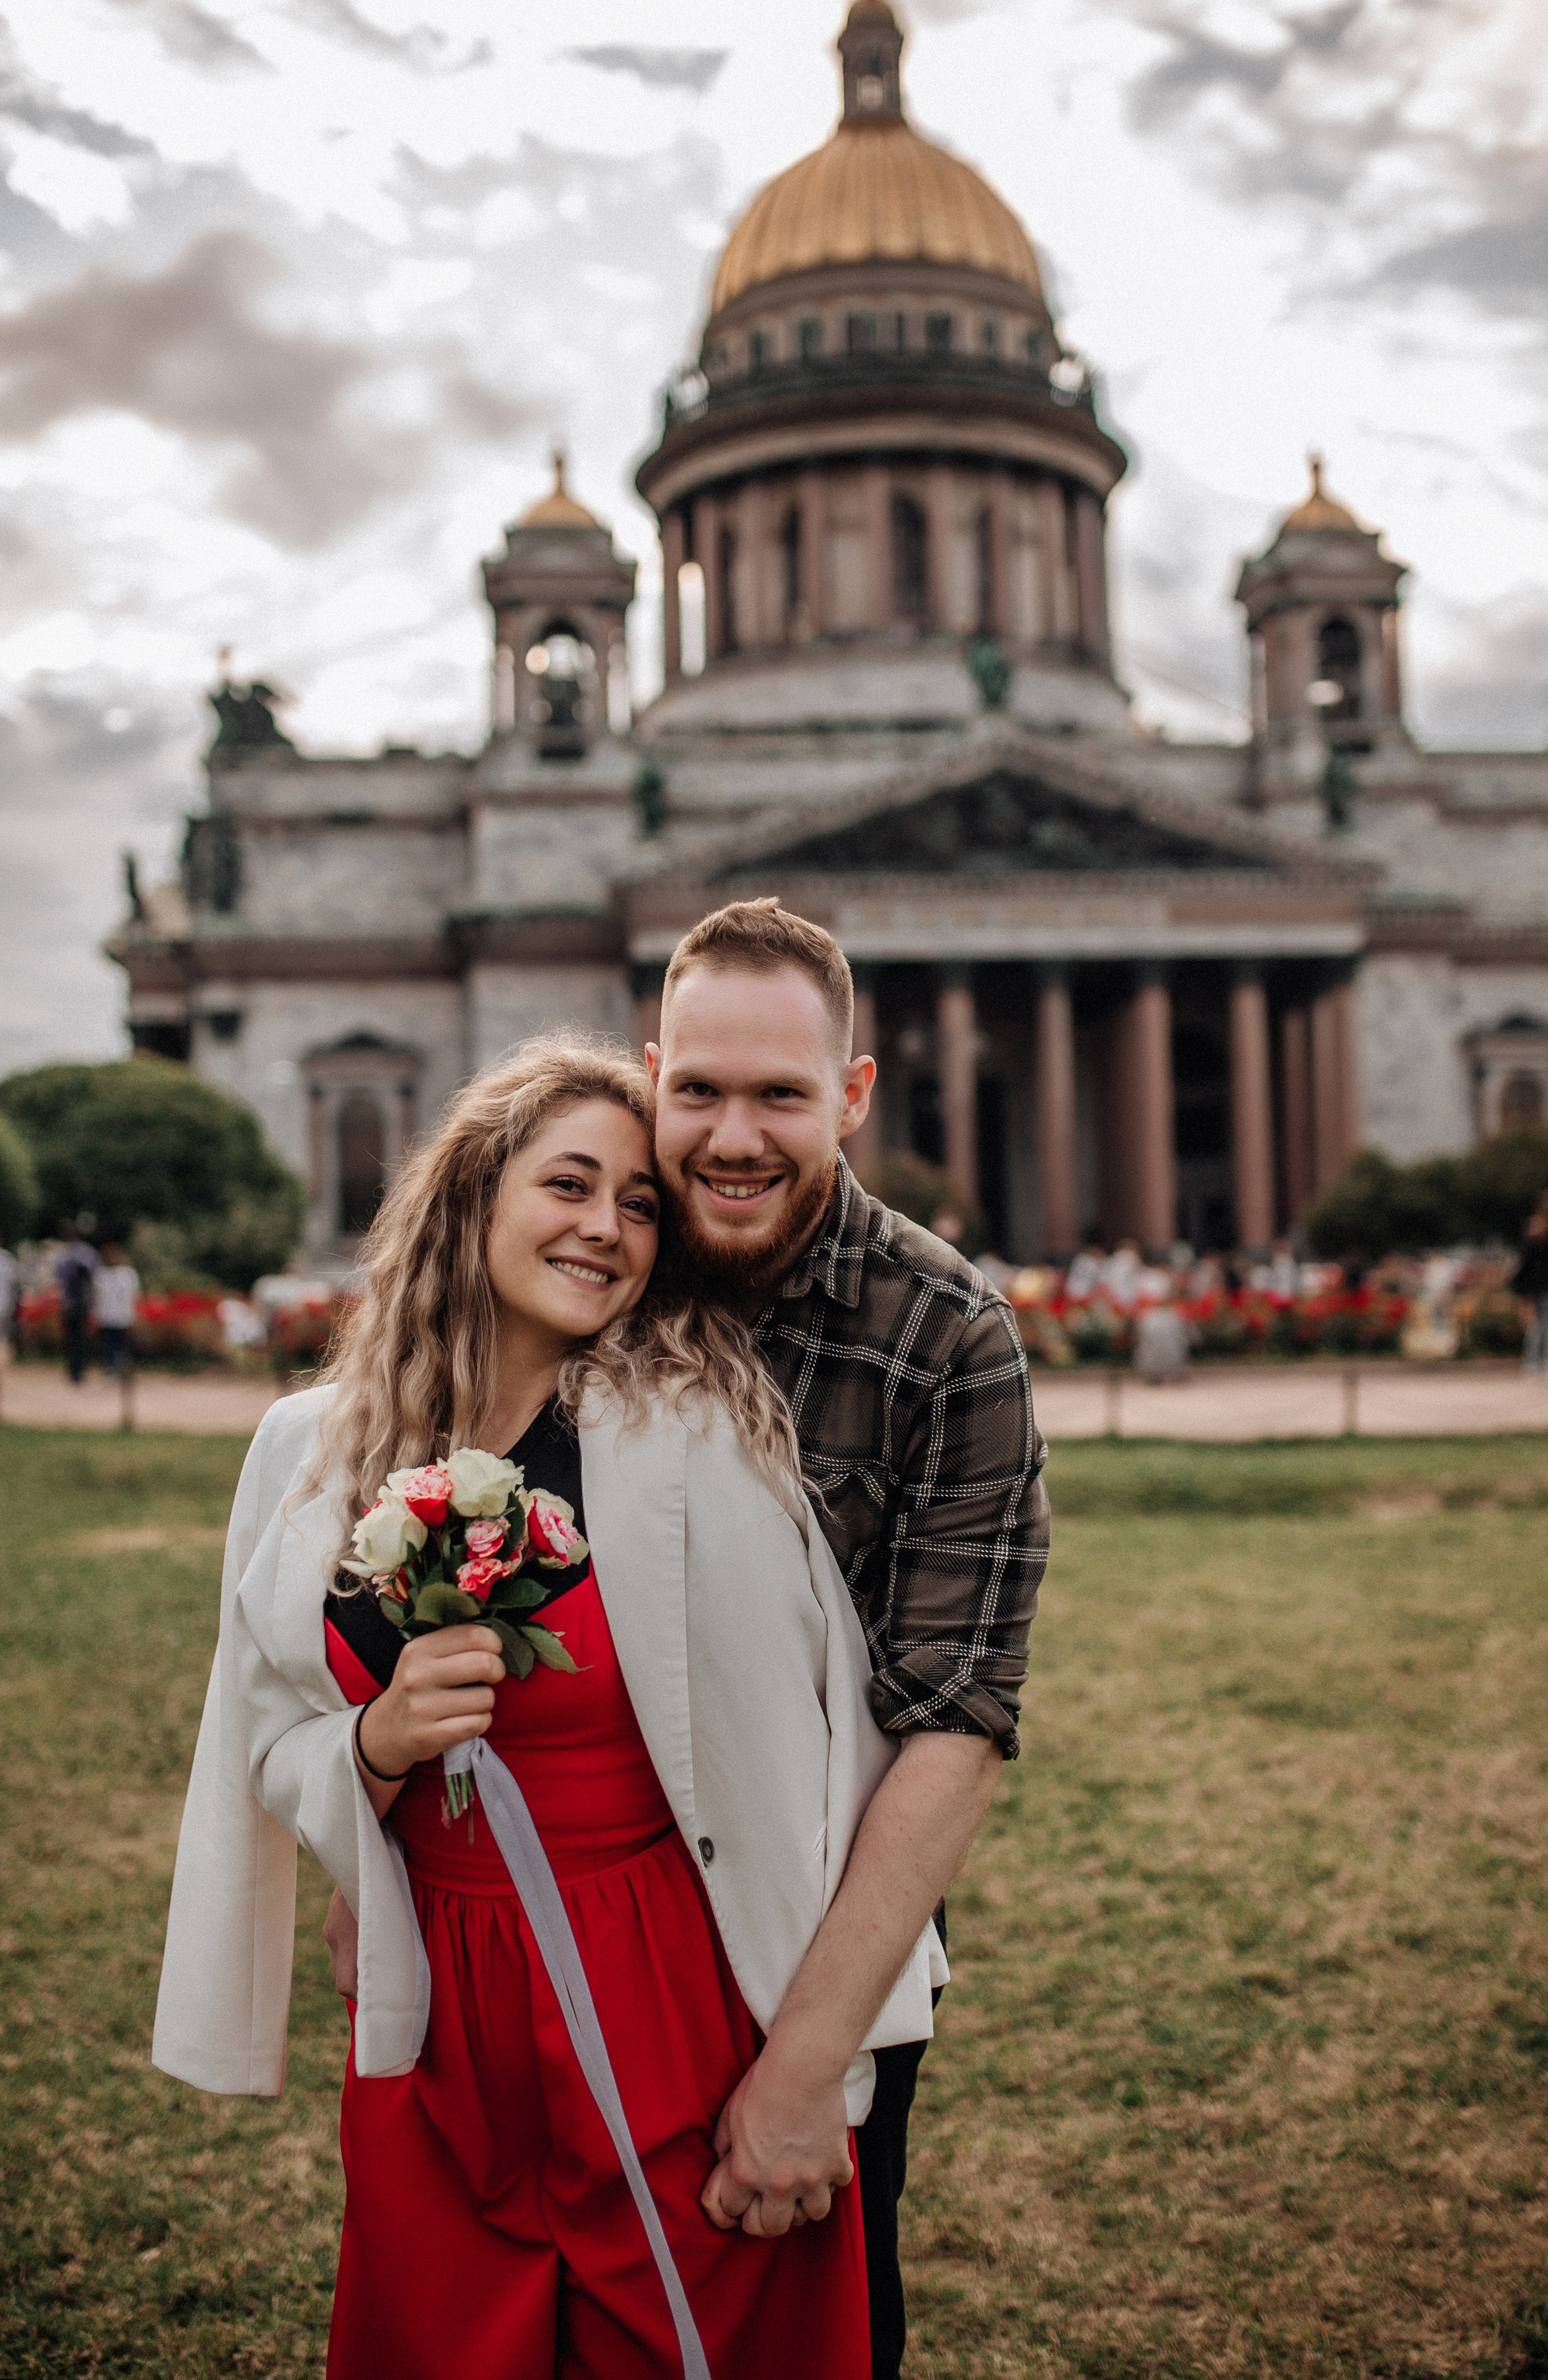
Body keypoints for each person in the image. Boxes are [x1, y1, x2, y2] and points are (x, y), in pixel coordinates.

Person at [154, 1039, 944, 2380]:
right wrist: (376, 1748)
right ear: (471, 1194)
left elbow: (804, 1745)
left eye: (639, 1204)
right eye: (568, 1184)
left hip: (660, 1996)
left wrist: (816, 2061)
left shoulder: (697, 1436)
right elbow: (270, 1736)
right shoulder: (314, 1448)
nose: (604, 1227)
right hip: (433, 2022)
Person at [644, 900, 1048, 2380]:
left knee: (812, 2327)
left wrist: (808, 2065)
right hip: (585, 1914)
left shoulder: (947, 1332)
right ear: (649, 1076)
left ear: (853, 1095)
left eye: (779, 1094)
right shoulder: (581, 1265)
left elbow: (953, 1718)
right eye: (696, 1088)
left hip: (822, 1944)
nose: (731, 1133)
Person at [1510, 1194, 1548, 1372]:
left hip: (1539, 1285)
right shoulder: (1537, 1231)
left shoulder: (1534, 1230)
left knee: (1540, 1325)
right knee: (1542, 1325)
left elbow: (1524, 1261)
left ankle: (1534, 1362)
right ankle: (1539, 1361)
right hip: (1542, 1285)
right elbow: (1526, 1261)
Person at [53, 1222, 96, 1385]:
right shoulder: (88, 1253)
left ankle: (74, 1371)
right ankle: (78, 1370)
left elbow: (59, 1278)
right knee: (80, 1338)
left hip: (71, 1303)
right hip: (81, 1303)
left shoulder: (64, 1254)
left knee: (73, 1338)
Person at [91, 1242, 140, 1376]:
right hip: (106, 1315)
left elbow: (134, 1296)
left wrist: (134, 1314)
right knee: (108, 1345)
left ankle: (121, 1368)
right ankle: (111, 1368)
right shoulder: (100, 1274)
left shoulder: (128, 1274)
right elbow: (96, 1297)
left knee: (122, 1345)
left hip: (123, 1316)